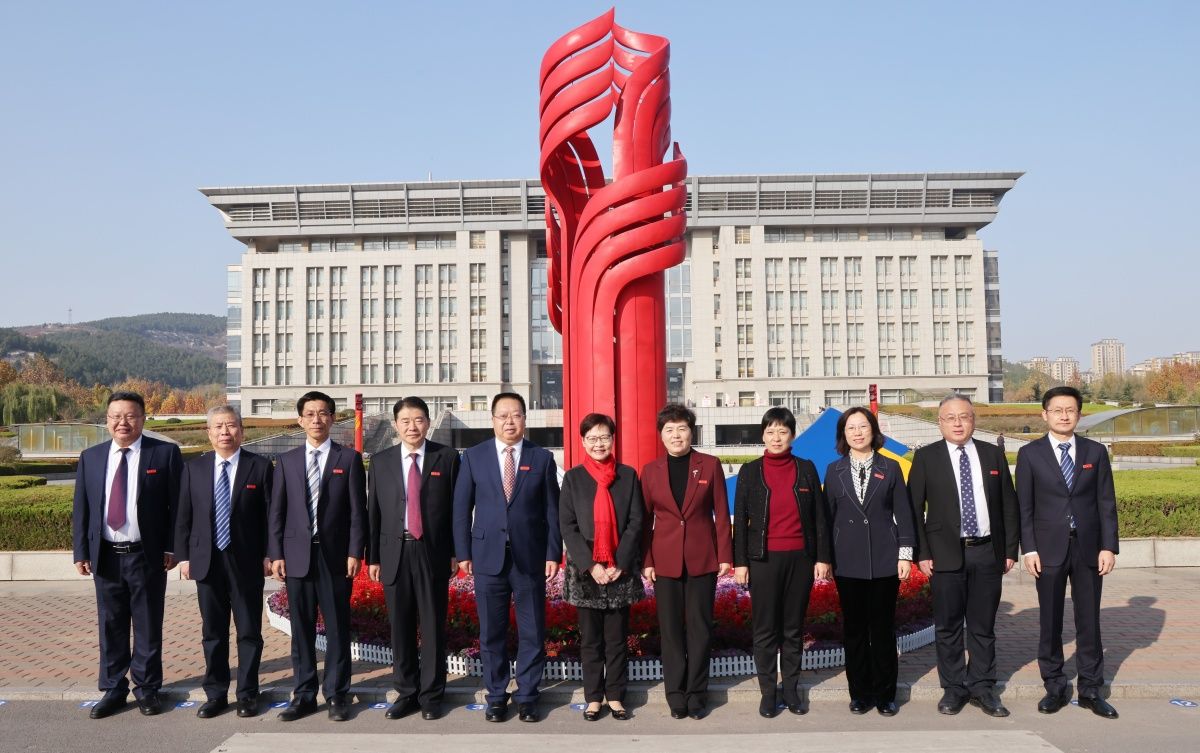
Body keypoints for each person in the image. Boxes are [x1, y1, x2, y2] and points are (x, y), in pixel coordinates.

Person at [72, 391, 182, 719]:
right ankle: (113, 688)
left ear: (143, 419)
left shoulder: (164, 454)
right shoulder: (91, 457)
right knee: (111, 624)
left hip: (147, 555)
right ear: (107, 421)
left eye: (130, 416)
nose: (123, 422)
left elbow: (178, 506)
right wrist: (81, 551)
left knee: (148, 623)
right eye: (115, 416)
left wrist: (172, 547)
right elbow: (82, 508)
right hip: (105, 555)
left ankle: (147, 688)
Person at [453, 392, 561, 723]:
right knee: (491, 632)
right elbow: (461, 509)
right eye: (503, 415)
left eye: (516, 415)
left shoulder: (541, 458)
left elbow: (552, 511)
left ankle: (528, 695)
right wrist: (463, 553)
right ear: (493, 420)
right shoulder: (474, 456)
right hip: (487, 558)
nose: (510, 421)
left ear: (525, 419)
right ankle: (497, 695)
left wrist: (553, 552)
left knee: (532, 630)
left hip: (530, 557)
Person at [910, 394, 1018, 718]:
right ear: (940, 422)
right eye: (950, 418)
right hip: (943, 554)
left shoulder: (992, 454)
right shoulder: (926, 457)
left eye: (964, 417)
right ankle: (954, 688)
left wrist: (1009, 550)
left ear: (973, 419)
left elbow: (1009, 504)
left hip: (987, 551)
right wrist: (921, 553)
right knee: (948, 626)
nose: (958, 423)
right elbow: (914, 509)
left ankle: (983, 687)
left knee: (983, 626)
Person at [1017, 386, 1120, 719]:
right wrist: (1029, 549)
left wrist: (1108, 546)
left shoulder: (1095, 452)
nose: (1064, 416)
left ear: (1079, 414)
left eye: (1070, 410)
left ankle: (1091, 689)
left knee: (1089, 619)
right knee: (1050, 620)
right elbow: (1024, 507)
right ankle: (1055, 687)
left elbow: (1106, 502)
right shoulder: (1030, 454)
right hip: (1047, 549)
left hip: (1088, 547)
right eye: (1057, 410)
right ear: (1044, 414)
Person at [268, 391, 367, 722]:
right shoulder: (286, 461)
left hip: (335, 556)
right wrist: (276, 553)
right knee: (302, 629)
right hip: (296, 556)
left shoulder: (348, 459)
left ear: (332, 418)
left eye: (323, 413)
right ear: (300, 420)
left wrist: (355, 551)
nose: (316, 419)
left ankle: (337, 694)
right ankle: (304, 695)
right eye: (309, 414)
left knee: (337, 628)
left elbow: (358, 511)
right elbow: (276, 512)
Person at [732, 406, 831, 718]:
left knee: (792, 628)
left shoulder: (806, 468)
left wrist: (822, 557)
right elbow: (740, 521)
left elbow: (819, 517)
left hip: (800, 559)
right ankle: (767, 692)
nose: (776, 437)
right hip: (763, 560)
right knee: (765, 630)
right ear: (763, 435)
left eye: (783, 431)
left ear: (792, 435)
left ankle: (790, 689)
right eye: (771, 431)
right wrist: (740, 562)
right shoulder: (750, 471)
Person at [175, 405, 273, 719]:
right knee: (213, 633)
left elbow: (271, 517)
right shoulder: (194, 468)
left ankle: (247, 694)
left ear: (241, 431)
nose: (224, 432)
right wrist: (184, 557)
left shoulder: (260, 467)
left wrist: (270, 554)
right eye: (218, 426)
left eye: (231, 426)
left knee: (249, 632)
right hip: (207, 561)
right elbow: (183, 516)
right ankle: (216, 694)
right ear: (209, 433)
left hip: (247, 562)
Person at [367, 397, 460, 721]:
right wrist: (373, 557)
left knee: (433, 626)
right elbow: (373, 512)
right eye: (405, 421)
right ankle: (406, 693)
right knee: (400, 626)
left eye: (418, 420)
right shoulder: (381, 461)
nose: (412, 426)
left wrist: (455, 552)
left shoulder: (447, 457)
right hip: (394, 552)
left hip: (432, 551)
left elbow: (456, 510)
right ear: (395, 425)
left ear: (428, 422)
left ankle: (432, 695)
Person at [640, 403, 732, 720]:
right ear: (661, 435)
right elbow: (644, 521)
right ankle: (676, 694)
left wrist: (725, 555)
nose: (676, 435)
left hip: (702, 558)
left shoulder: (709, 465)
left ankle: (696, 694)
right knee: (670, 632)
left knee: (700, 629)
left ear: (691, 432)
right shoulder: (650, 471)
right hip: (664, 561)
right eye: (670, 430)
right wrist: (647, 559)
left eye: (682, 428)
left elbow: (722, 513)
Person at [824, 407, 915, 717]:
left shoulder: (890, 468)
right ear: (843, 434)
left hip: (885, 560)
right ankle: (860, 693)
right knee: (855, 631)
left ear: (873, 431)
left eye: (863, 426)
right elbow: (827, 518)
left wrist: (905, 554)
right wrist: (825, 558)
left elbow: (904, 514)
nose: (857, 432)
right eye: (851, 428)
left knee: (882, 629)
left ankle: (886, 694)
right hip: (847, 562)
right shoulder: (833, 470)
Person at [558, 413, 645, 721]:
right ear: (583, 441)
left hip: (619, 568)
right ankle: (594, 698)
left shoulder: (627, 475)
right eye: (592, 438)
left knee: (617, 639)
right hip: (587, 572)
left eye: (604, 437)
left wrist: (620, 562)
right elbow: (568, 525)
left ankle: (616, 696)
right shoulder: (573, 478)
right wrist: (591, 565)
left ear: (613, 439)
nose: (598, 443)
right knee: (591, 640)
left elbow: (636, 521)